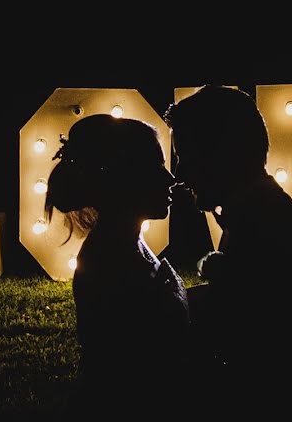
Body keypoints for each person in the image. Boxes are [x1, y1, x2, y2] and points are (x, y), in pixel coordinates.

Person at [164, 85, 292, 416]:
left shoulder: (263, 231)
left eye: (188, 156)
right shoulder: (259, 215)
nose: (180, 174)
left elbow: (238, 342)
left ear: (224, 154)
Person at [44, 114, 189, 419]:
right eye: (155, 168)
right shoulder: (110, 263)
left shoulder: (127, 242)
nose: (170, 179)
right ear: (122, 177)